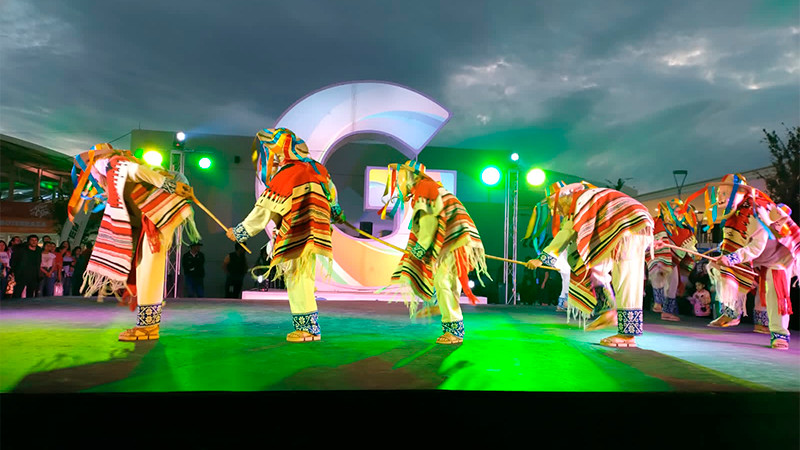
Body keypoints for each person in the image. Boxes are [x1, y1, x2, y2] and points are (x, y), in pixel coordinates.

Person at [67, 143, 199, 341]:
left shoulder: (105, 163)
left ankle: (148, 327)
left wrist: (170, 185)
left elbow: (134, 170)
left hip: (160, 206)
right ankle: (148, 325)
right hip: (156, 210)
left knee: (149, 267)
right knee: (144, 265)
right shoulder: (110, 175)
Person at [226, 128, 344, 342]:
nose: (274, 156)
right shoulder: (318, 169)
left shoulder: (287, 174)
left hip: (297, 231)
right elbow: (332, 196)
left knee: (298, 280)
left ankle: (308, 330)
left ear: (284, 151)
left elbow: (264, 209)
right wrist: (336, 213)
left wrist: (240, 232)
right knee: (303, 278)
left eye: (275, 151)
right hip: (316, 232)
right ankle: (309, 328)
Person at [526, 181, 653, 348]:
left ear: (563, 198)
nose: (557, 211)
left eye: (555, 207)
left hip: (626, 229)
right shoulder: (588, 198)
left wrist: (541, 259)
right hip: (631, 227)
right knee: (595, 266)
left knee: (625, 278)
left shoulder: (580, 202)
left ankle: (627, 334)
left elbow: (566, 234)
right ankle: (608, 308)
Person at [380, 159, 488, 345]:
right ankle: (450, 320)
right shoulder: (428, 187)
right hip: (457, 238)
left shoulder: (425, 188)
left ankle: (453, 328)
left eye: (400, 178)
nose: (398, 183)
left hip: (457, 239)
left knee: (444, 280)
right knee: (445, 280)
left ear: (410, 177)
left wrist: (418, 251)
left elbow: (429, 228)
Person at [694, 174, 799, 349]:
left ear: (742, 192)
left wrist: (730, 258)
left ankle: (779, 334)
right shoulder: (733, 217)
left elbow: (756, 247)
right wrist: (724, 254)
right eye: (719, 193)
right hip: (756, 258)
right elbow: (737, 244)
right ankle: (731, 312)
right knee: (718, 266)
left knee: (775, 293)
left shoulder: (757, 211)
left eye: (726, 193)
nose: (720, 198)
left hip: (779, 257)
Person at [646, 199, 699, 322]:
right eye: (675, 212)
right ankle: (658, 302)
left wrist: (695, 254)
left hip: (673, 260)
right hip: (660, 257)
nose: (678, 215)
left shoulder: (686, 231)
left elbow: (689, 247)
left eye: (681, 213)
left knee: (673, 284)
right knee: (659, 272)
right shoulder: (660, 223)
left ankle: (667, 312)